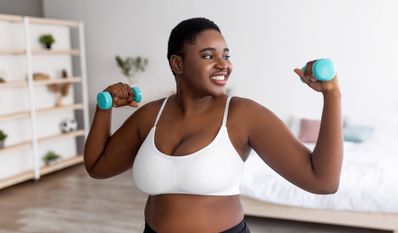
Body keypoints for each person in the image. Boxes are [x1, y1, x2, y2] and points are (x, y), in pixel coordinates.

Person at [84, 17, 343, 233]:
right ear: (178, 63)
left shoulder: (243, 114)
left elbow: (323, 181)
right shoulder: (151, 115)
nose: (223, 65)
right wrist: (104, 108)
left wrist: (331, 95)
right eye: (209, 55)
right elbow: (98, 166)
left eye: (226, 55)